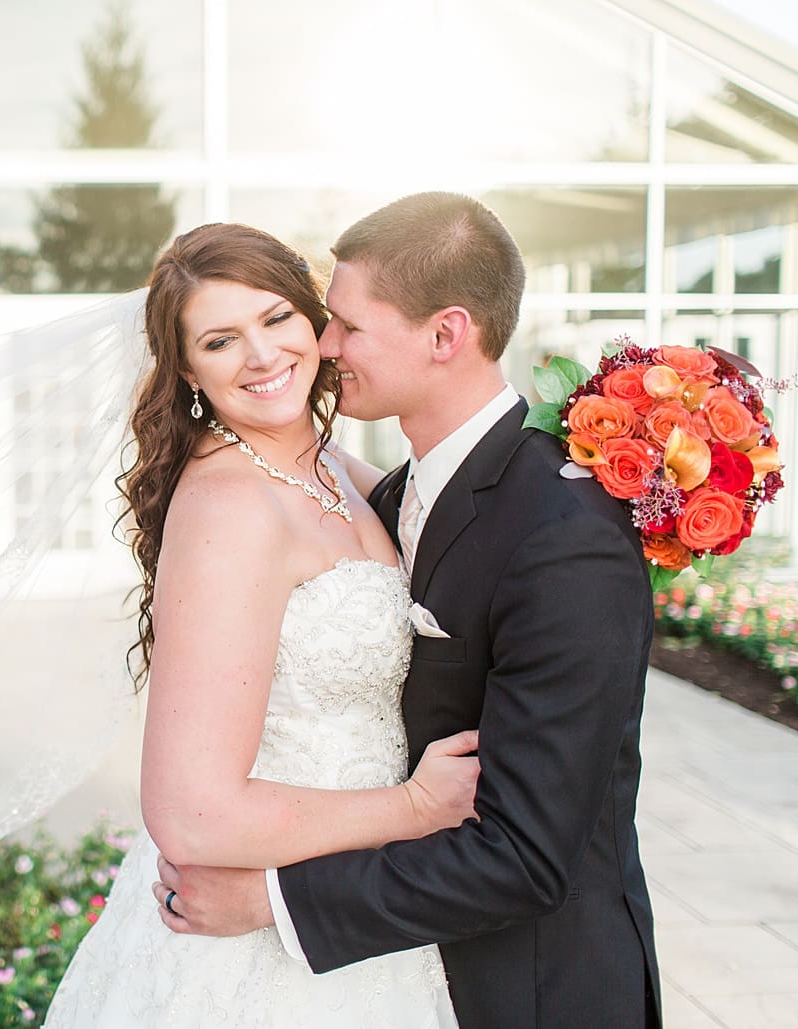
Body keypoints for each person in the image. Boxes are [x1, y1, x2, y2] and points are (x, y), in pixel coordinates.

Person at [152, 194, 661, 1027]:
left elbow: (528, 855)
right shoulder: (383, 492)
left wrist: (270, 903)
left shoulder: (564, 531)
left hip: (531, 992)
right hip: (391, 970)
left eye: (344, 325)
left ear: (444, 334)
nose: (321, 345)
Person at [45, 222, 479, 1026]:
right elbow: (190, 810)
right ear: (186, 370)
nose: (261, 355)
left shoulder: (331, 471)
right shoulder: (229, 504)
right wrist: (415, 810)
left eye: (276, 318)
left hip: (348, 910)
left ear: (318, 322)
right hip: (255, 950)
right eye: (219, 339)